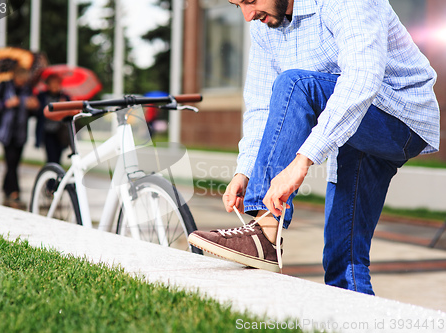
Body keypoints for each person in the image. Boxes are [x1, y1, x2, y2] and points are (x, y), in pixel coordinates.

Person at [188, 0, 440, 295]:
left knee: (296, 83)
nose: (247, 15)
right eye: (237, 5)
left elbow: (361, 79)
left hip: (399, 117)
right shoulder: (264, 25)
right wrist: (245, 170)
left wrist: (302, 160)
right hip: (352, 127)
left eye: (251, 0)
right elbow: (262, 106)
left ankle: (264, 233)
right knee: (342, 259)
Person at [0, 66, 40, 208]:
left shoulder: (28, 89)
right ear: (15, 77)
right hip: (6, 132)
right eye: (21, 79)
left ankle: (5, 187)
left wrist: (34, 106)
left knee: (14, 163)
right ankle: (14, 191)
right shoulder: (3, 86)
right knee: (11, 160)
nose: (23, 82)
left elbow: (34, 112)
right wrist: (6, 103)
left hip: (20, 132)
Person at [36, 74, 71, 164]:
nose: (55, 85)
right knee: (51, 157)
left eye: (57, 83)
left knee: (58, 158)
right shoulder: (42, 96)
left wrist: (64, 107)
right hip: (47, 131)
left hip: (60, 132)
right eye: (52, 83)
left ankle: (56, 176)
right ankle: (51, 176)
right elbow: (38, 113)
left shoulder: (64, 97)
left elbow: (70, 114)